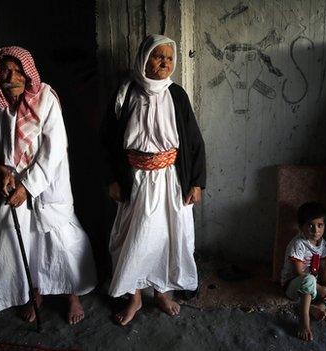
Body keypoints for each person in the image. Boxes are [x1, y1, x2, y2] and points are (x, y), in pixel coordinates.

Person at [0, 46, 97, 325]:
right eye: (6, 70)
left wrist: (27, 187)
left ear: (27, 72)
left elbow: (53, 150)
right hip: (11, 184)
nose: (12, 76)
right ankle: (35, 292)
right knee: (23, 242)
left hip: (48, 182)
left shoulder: (45, 98)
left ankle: (71, 295)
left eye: (18, 70)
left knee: (61, 241)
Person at [101, 34, 206, 326]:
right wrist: (112, 179)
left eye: (169, 58)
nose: (164, 63)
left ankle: (162, 292)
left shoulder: (177, 95)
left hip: (171, 180)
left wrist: (196, 182)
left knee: (169, 238)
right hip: (135, 180)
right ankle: (134, 296)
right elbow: (107, 141)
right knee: (131, 238)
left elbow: (195, 142)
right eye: (158, 56)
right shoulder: (125, 93)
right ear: (144, 58)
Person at [280, 202, 326, 341]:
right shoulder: (298, 243)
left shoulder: (323, 244)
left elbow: (323, 268)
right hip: (293, 285)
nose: (316, 230)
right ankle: (304, 320)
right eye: (310, 225)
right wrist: (319, 287)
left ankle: (318, 306)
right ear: (301, 227)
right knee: (309, 279)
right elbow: (299, 273)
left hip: (314, 285)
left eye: (320, 225)